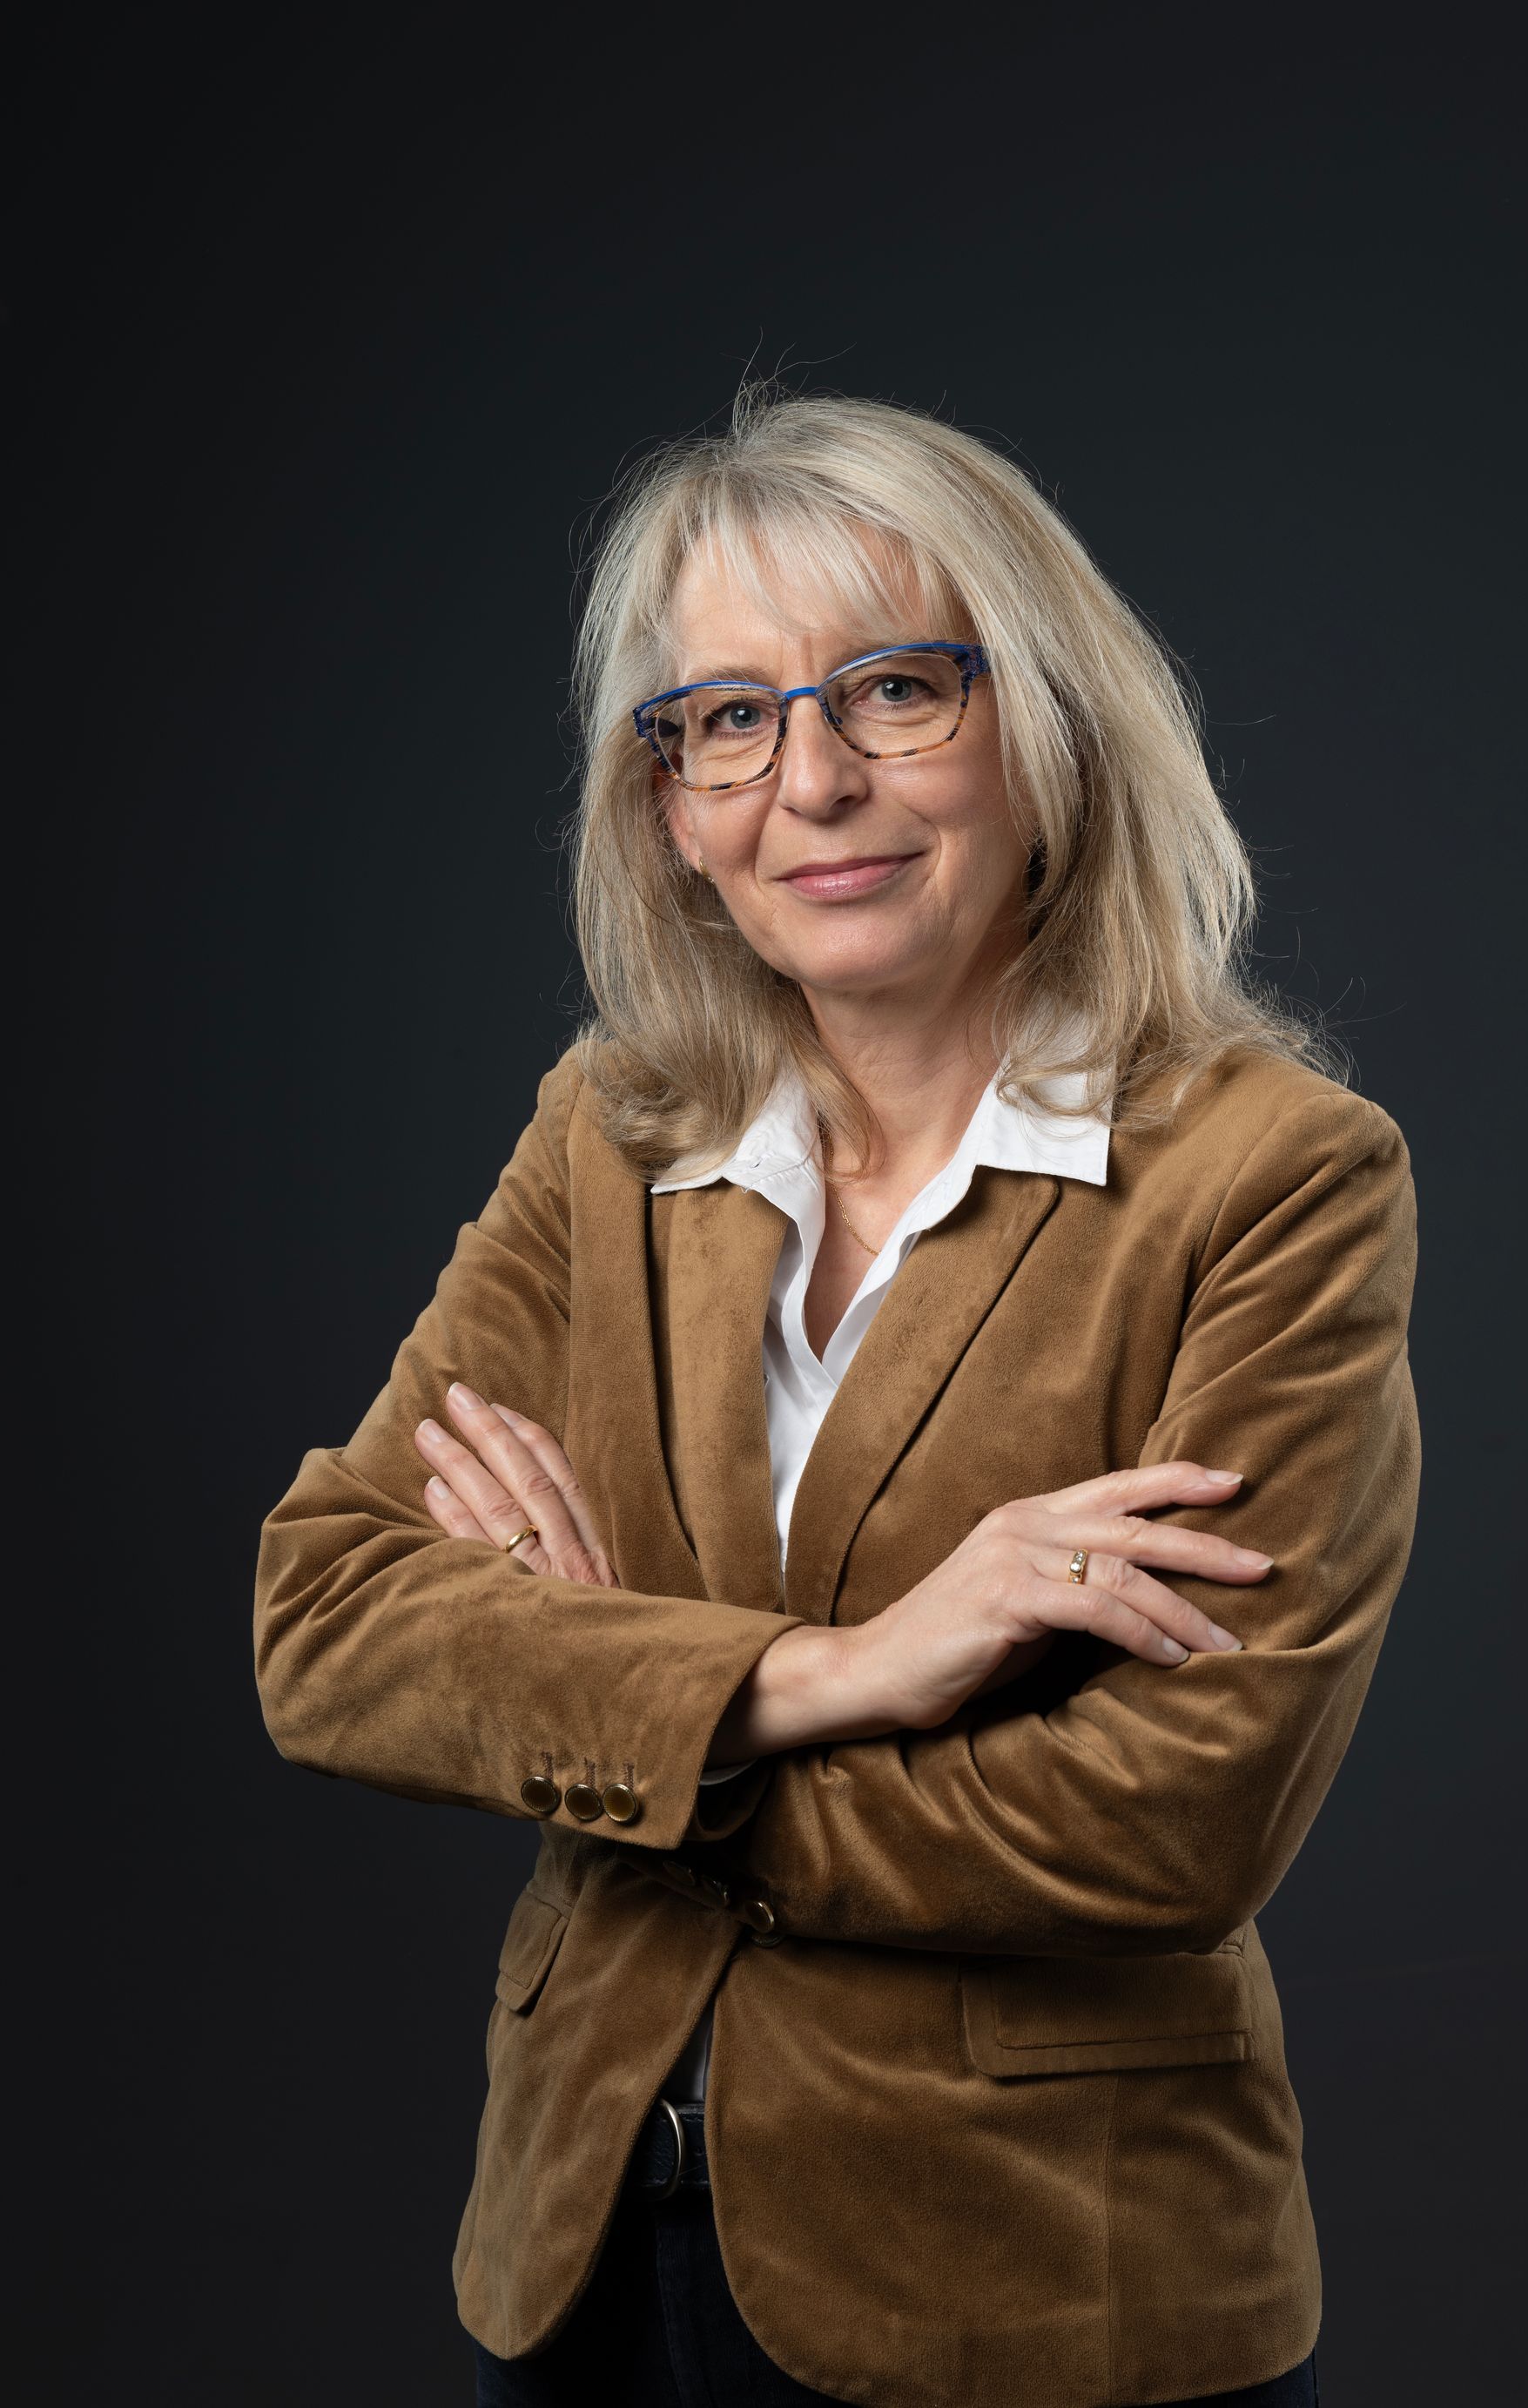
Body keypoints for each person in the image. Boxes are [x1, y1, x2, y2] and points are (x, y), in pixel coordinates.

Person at [255, 388, 1418, 2407]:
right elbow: (328, 1621)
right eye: (725, 717)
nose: (812, 781)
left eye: (895, 688)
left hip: (1044, 2290)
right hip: (585, 2255)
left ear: (1044, 724)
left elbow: (1172, 1815)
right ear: (671, 808)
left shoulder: (1275, 1174)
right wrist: (839, 1671)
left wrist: (614, 1708)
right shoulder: (607, 1138)